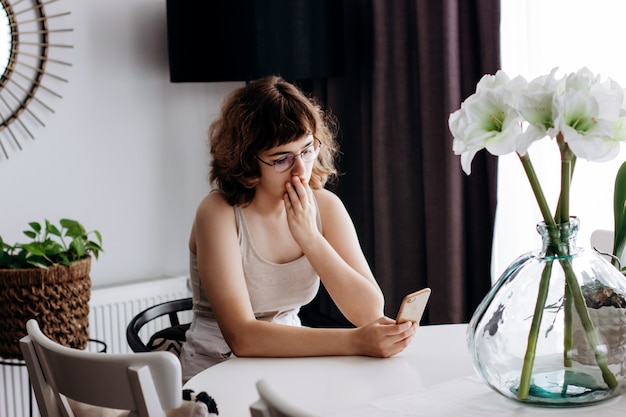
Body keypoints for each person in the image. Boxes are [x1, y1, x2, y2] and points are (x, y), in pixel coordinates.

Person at [180, 76, 416, 382]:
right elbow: (242, 337)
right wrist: (355, 341)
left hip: (291, 364)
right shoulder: (218, 213)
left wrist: (310, 238)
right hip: (216, 370)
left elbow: (369, 311)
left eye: (307, 150)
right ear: (247, 162)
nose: (301, 170)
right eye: (283, 159)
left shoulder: (325, 207)